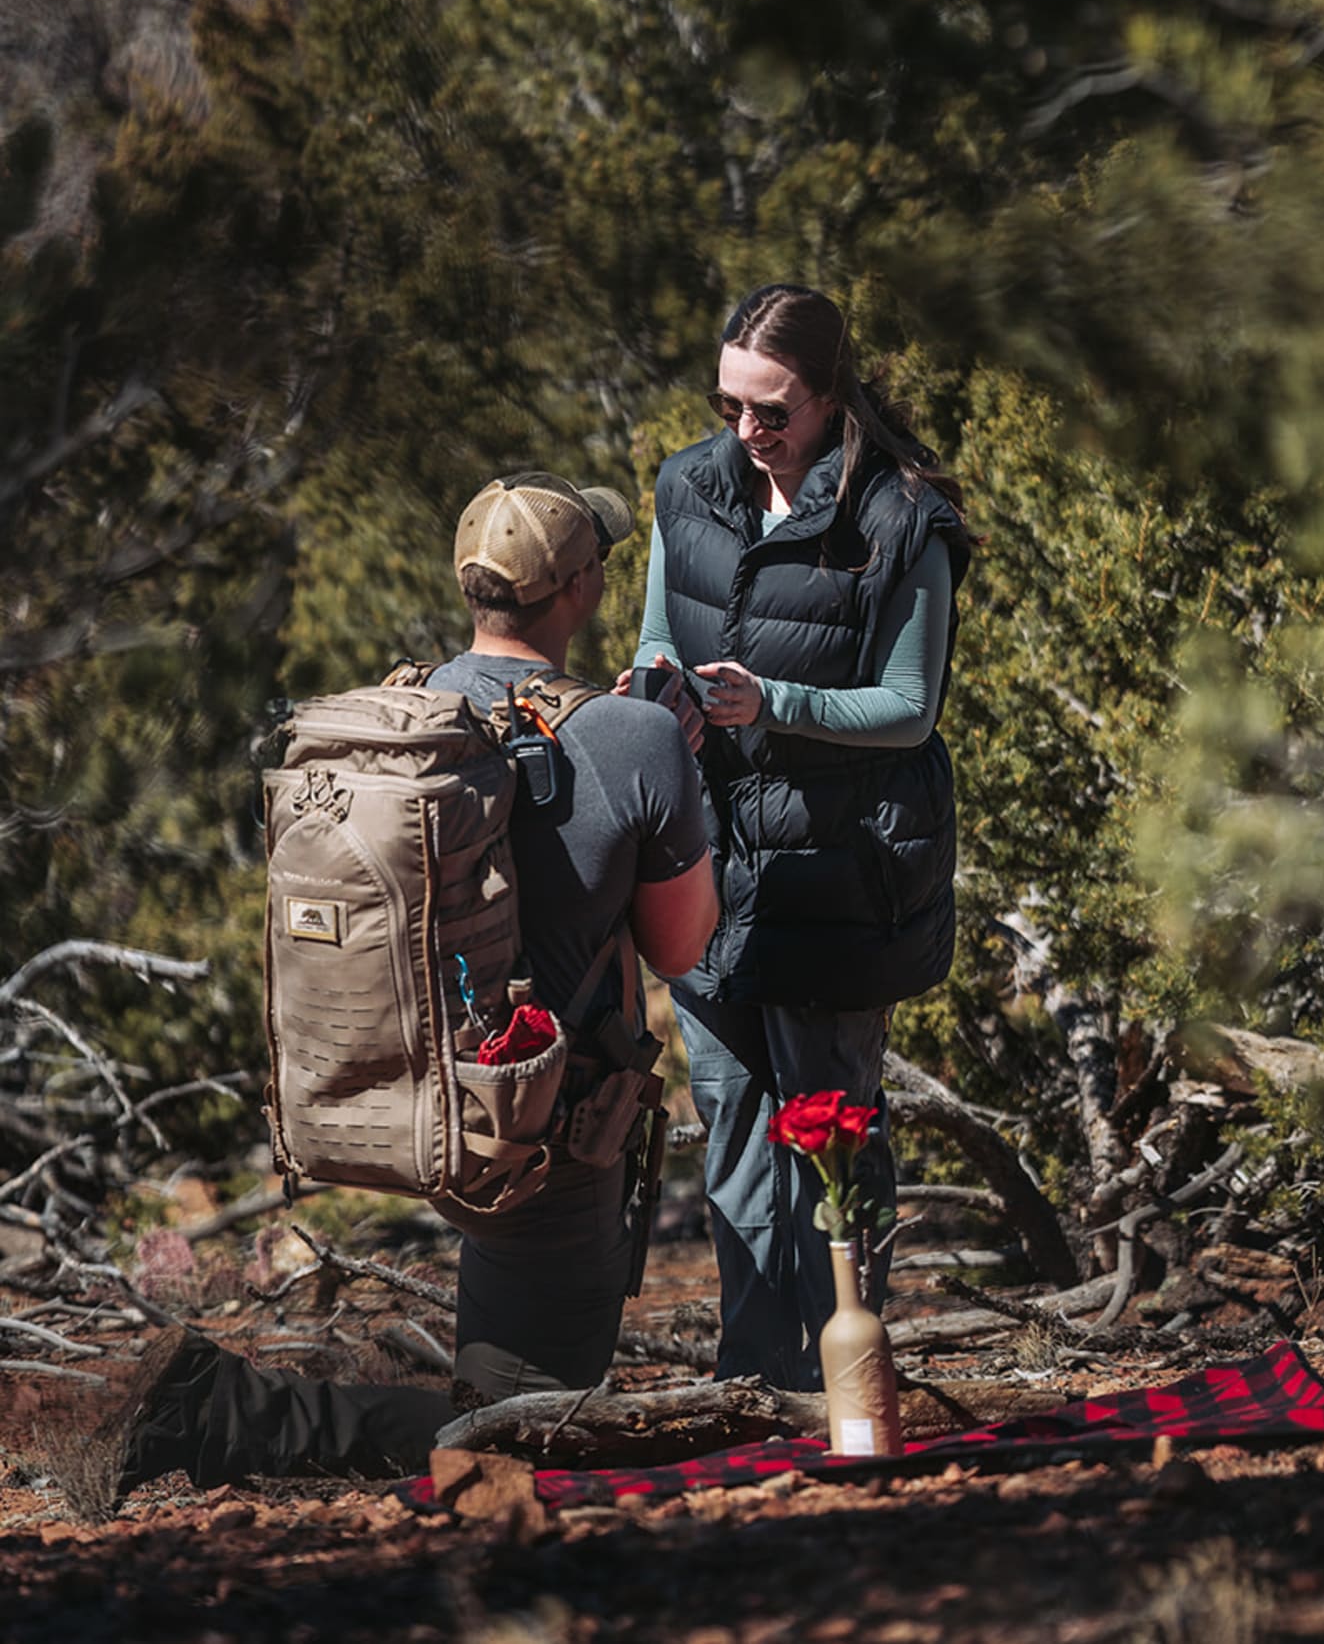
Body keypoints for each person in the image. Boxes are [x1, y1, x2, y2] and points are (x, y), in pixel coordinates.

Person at [87, 471, 715, 1509]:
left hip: (403, 1098)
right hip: (543, 1134)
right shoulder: (632, 736)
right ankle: (223, 1411)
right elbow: (683, 949)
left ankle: (242, 1410)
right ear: (584, 586)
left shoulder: (398, 711)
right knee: (536, 1438)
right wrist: (675, 775)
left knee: (526, 1392)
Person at [632, 282, 970, 1389]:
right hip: (710, 865)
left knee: (830, 1133)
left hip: (840, 865)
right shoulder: (688, 486)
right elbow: (650, 644)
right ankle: (753, 1377)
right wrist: (659, 700)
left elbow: (911, 708)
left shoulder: (900, 517)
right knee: (727, 1126)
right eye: (730, 403)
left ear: (829, 398)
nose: (747, 432)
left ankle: (845, 1381)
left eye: (772, 410)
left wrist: (772, 703)